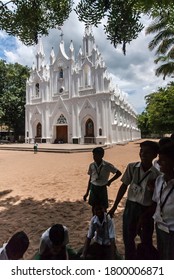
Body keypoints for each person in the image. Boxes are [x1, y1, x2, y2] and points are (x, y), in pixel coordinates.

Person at [108, 140, 161, 259]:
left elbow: (155, 200)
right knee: (128, 238)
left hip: (146, 210)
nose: (143, 154)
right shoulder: (132, 167)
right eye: (141, 151)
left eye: (147, 152)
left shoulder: (156, 175)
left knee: (146, 239)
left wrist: (145, 215)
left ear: (154, 155)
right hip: (130, 207)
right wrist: (114, 206)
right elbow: (123, 186)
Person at [152, 142, 174, 259]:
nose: (159, 163)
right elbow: (157, 202)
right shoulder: (159, 180)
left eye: (163, 160)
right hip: (160, 228)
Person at [83, 147, 122, 212]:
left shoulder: (107, 165)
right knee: (94, 207)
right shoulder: (92, 165)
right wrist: (87, 193)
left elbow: (118, 173)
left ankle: (104, 221)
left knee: (103, 207)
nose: (94, 157)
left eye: (96, 155)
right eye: (93, 155)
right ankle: (95, 220)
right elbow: (90, 179)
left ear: (102, 155)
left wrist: (110, 181)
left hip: (102, 188)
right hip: (93, 188)